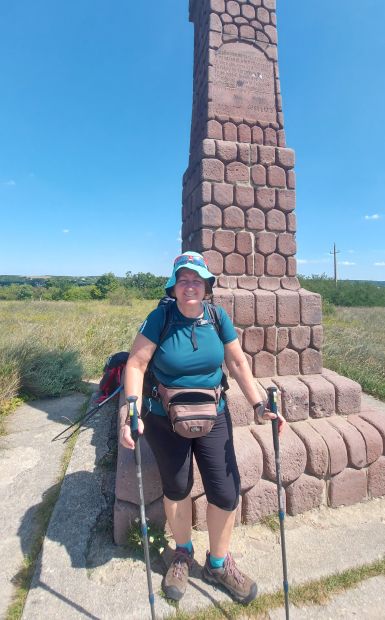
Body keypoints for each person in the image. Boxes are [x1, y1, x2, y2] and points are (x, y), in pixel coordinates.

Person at [121, 251, 285, 604]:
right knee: (177, 487)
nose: (190, 285)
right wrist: (131, 412)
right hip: (164, 418)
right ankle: (182, 553)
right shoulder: (159, 318)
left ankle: (218, 562)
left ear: (207, 286)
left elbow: (238, 362)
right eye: (183, 279)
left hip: (214, 414)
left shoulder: (217, 317)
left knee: (226, 491)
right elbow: (135, 363)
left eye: (197, 279)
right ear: (174, 286)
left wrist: (259, 404)